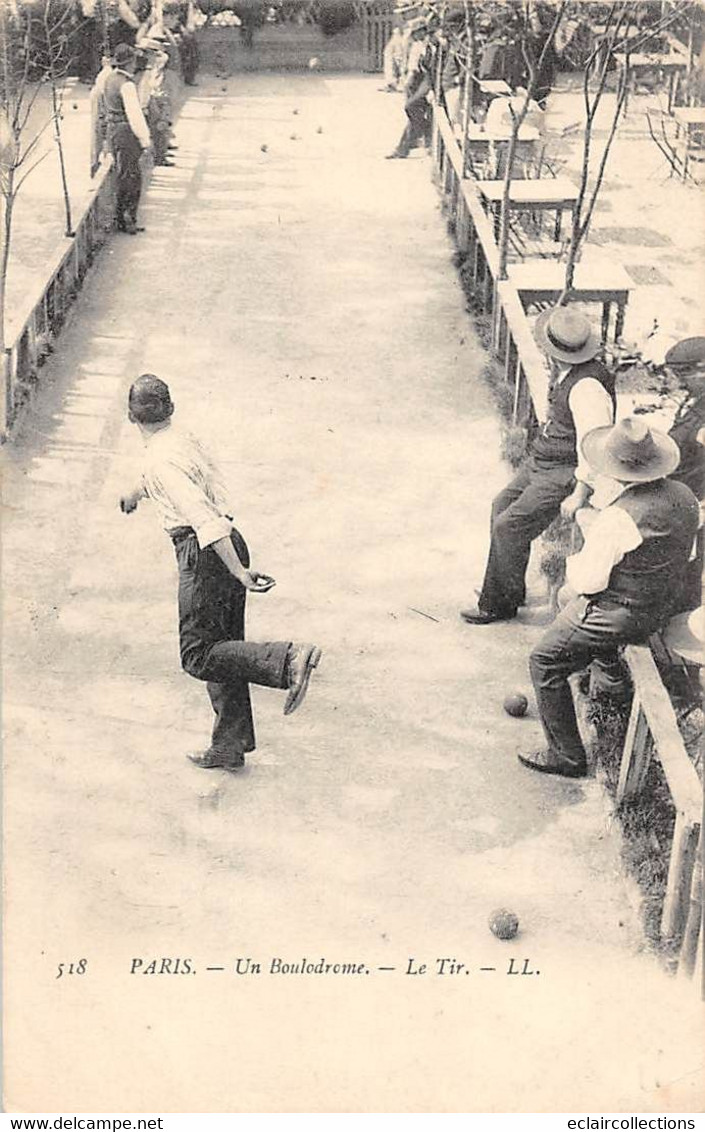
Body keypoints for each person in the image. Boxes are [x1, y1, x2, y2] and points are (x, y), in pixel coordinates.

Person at [119, 376, 322, 773]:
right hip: (230, 541)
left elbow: (203, 521)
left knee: (199, 656)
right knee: (225, 647)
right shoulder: (180, 440)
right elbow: (165, 482)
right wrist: (135, 493)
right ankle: (229, 745)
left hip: (207, 551)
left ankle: (288, 659)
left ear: (130, 417)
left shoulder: (159, 461)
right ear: (171, 408)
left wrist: (239, 573)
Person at [520, 418, 700, 778]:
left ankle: (567, 756)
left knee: (544, 661)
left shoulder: (620, 516)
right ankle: (608, 689)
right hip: (665, 603)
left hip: (622, 612)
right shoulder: (684, 496)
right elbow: (691, 555)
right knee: (576, 613)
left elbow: (588, 580)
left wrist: (574, 565)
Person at [461, 306, 616, 625]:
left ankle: (498, 605)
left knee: (510, 526)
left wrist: (579, 492)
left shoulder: (587, 387)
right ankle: (508, 589)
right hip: (541, 460)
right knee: (500, 505)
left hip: (563, 472)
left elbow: (593, 443)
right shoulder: (567, 373)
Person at [103, 43, 152, 233]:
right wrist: (145, 140)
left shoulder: (109, 79)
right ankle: (127, 218)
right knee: (132, 176)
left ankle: (121, 217)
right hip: (126, 131)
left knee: (123, 174)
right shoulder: (127, 85)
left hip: (113, 129)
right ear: (130, 62)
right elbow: (135, 115)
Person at [386, 18, 433, 160]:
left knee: (411, 109)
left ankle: (424, 134)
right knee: (413, 116)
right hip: (416, 81)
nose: (413, 35)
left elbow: (414, 69)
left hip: (420, 81)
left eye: (416, 32)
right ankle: (407, 146)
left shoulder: (422, 45)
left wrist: (406, 83)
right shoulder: (413, 44)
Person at [382, 27, 405, 91]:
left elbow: (399, 51)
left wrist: (398, 58)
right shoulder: (395, 40)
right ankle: (391, 84)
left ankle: (393, 84)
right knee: (390, 68)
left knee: (392, 69)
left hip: (393, 57)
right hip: (390, 56)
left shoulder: (398, 40)